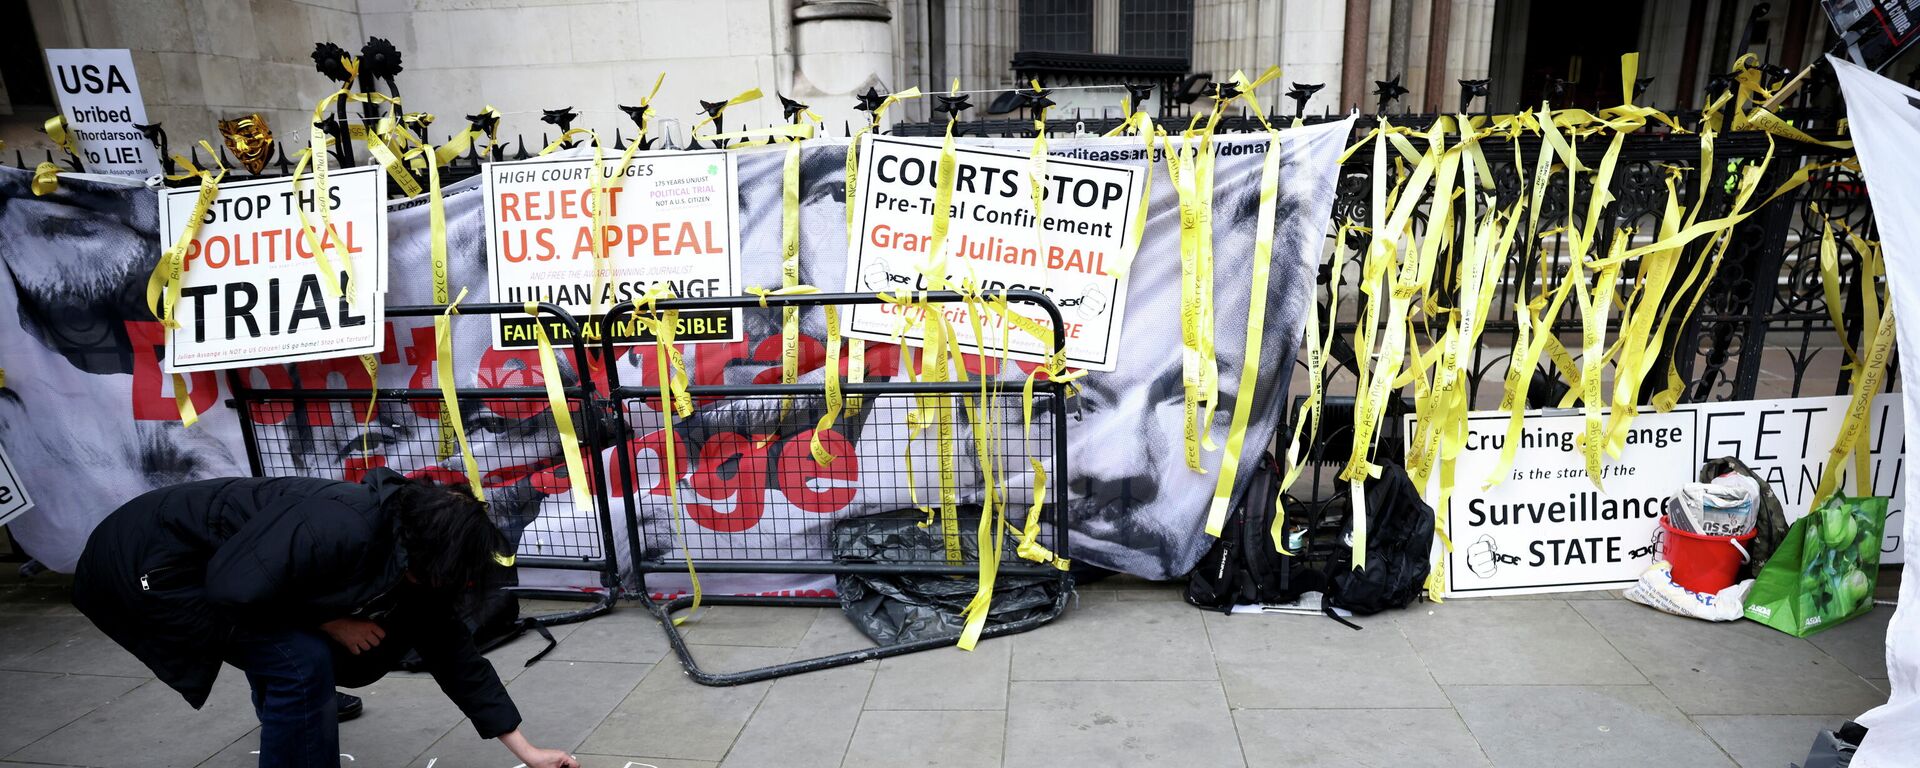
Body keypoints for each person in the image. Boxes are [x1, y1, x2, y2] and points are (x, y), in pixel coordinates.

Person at [71, 467, 580, 768]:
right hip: (149, 565)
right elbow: (232, 589)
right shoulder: (343, 526)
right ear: (428, 548)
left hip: (221, 566)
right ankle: (296, 718)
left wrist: (527, 750)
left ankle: (293, 712)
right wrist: (330, 623)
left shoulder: (410, 552)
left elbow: (454, 654)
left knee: (296, 650)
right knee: (301, 659)